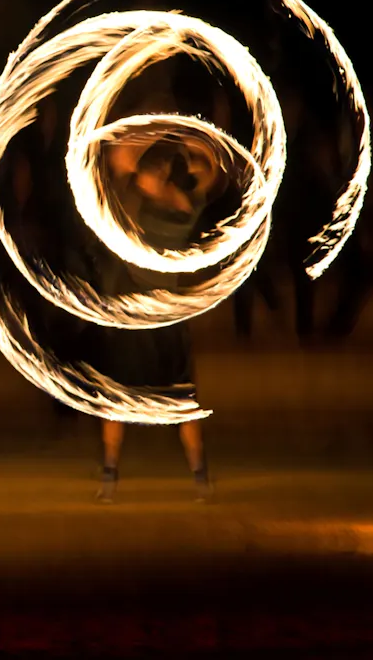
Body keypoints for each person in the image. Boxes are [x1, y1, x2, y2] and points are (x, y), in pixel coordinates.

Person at [92, 134, 225, 504]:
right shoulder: (185, 205)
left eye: (158, 171)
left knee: (178, 402)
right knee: (124, 401)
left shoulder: (135, 206)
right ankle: (115, 477)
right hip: (154, 319)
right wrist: (197, 151)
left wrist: (134, 158)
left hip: (148, 320)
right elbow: (210, 176)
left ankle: (194, 478)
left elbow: (118, 177)